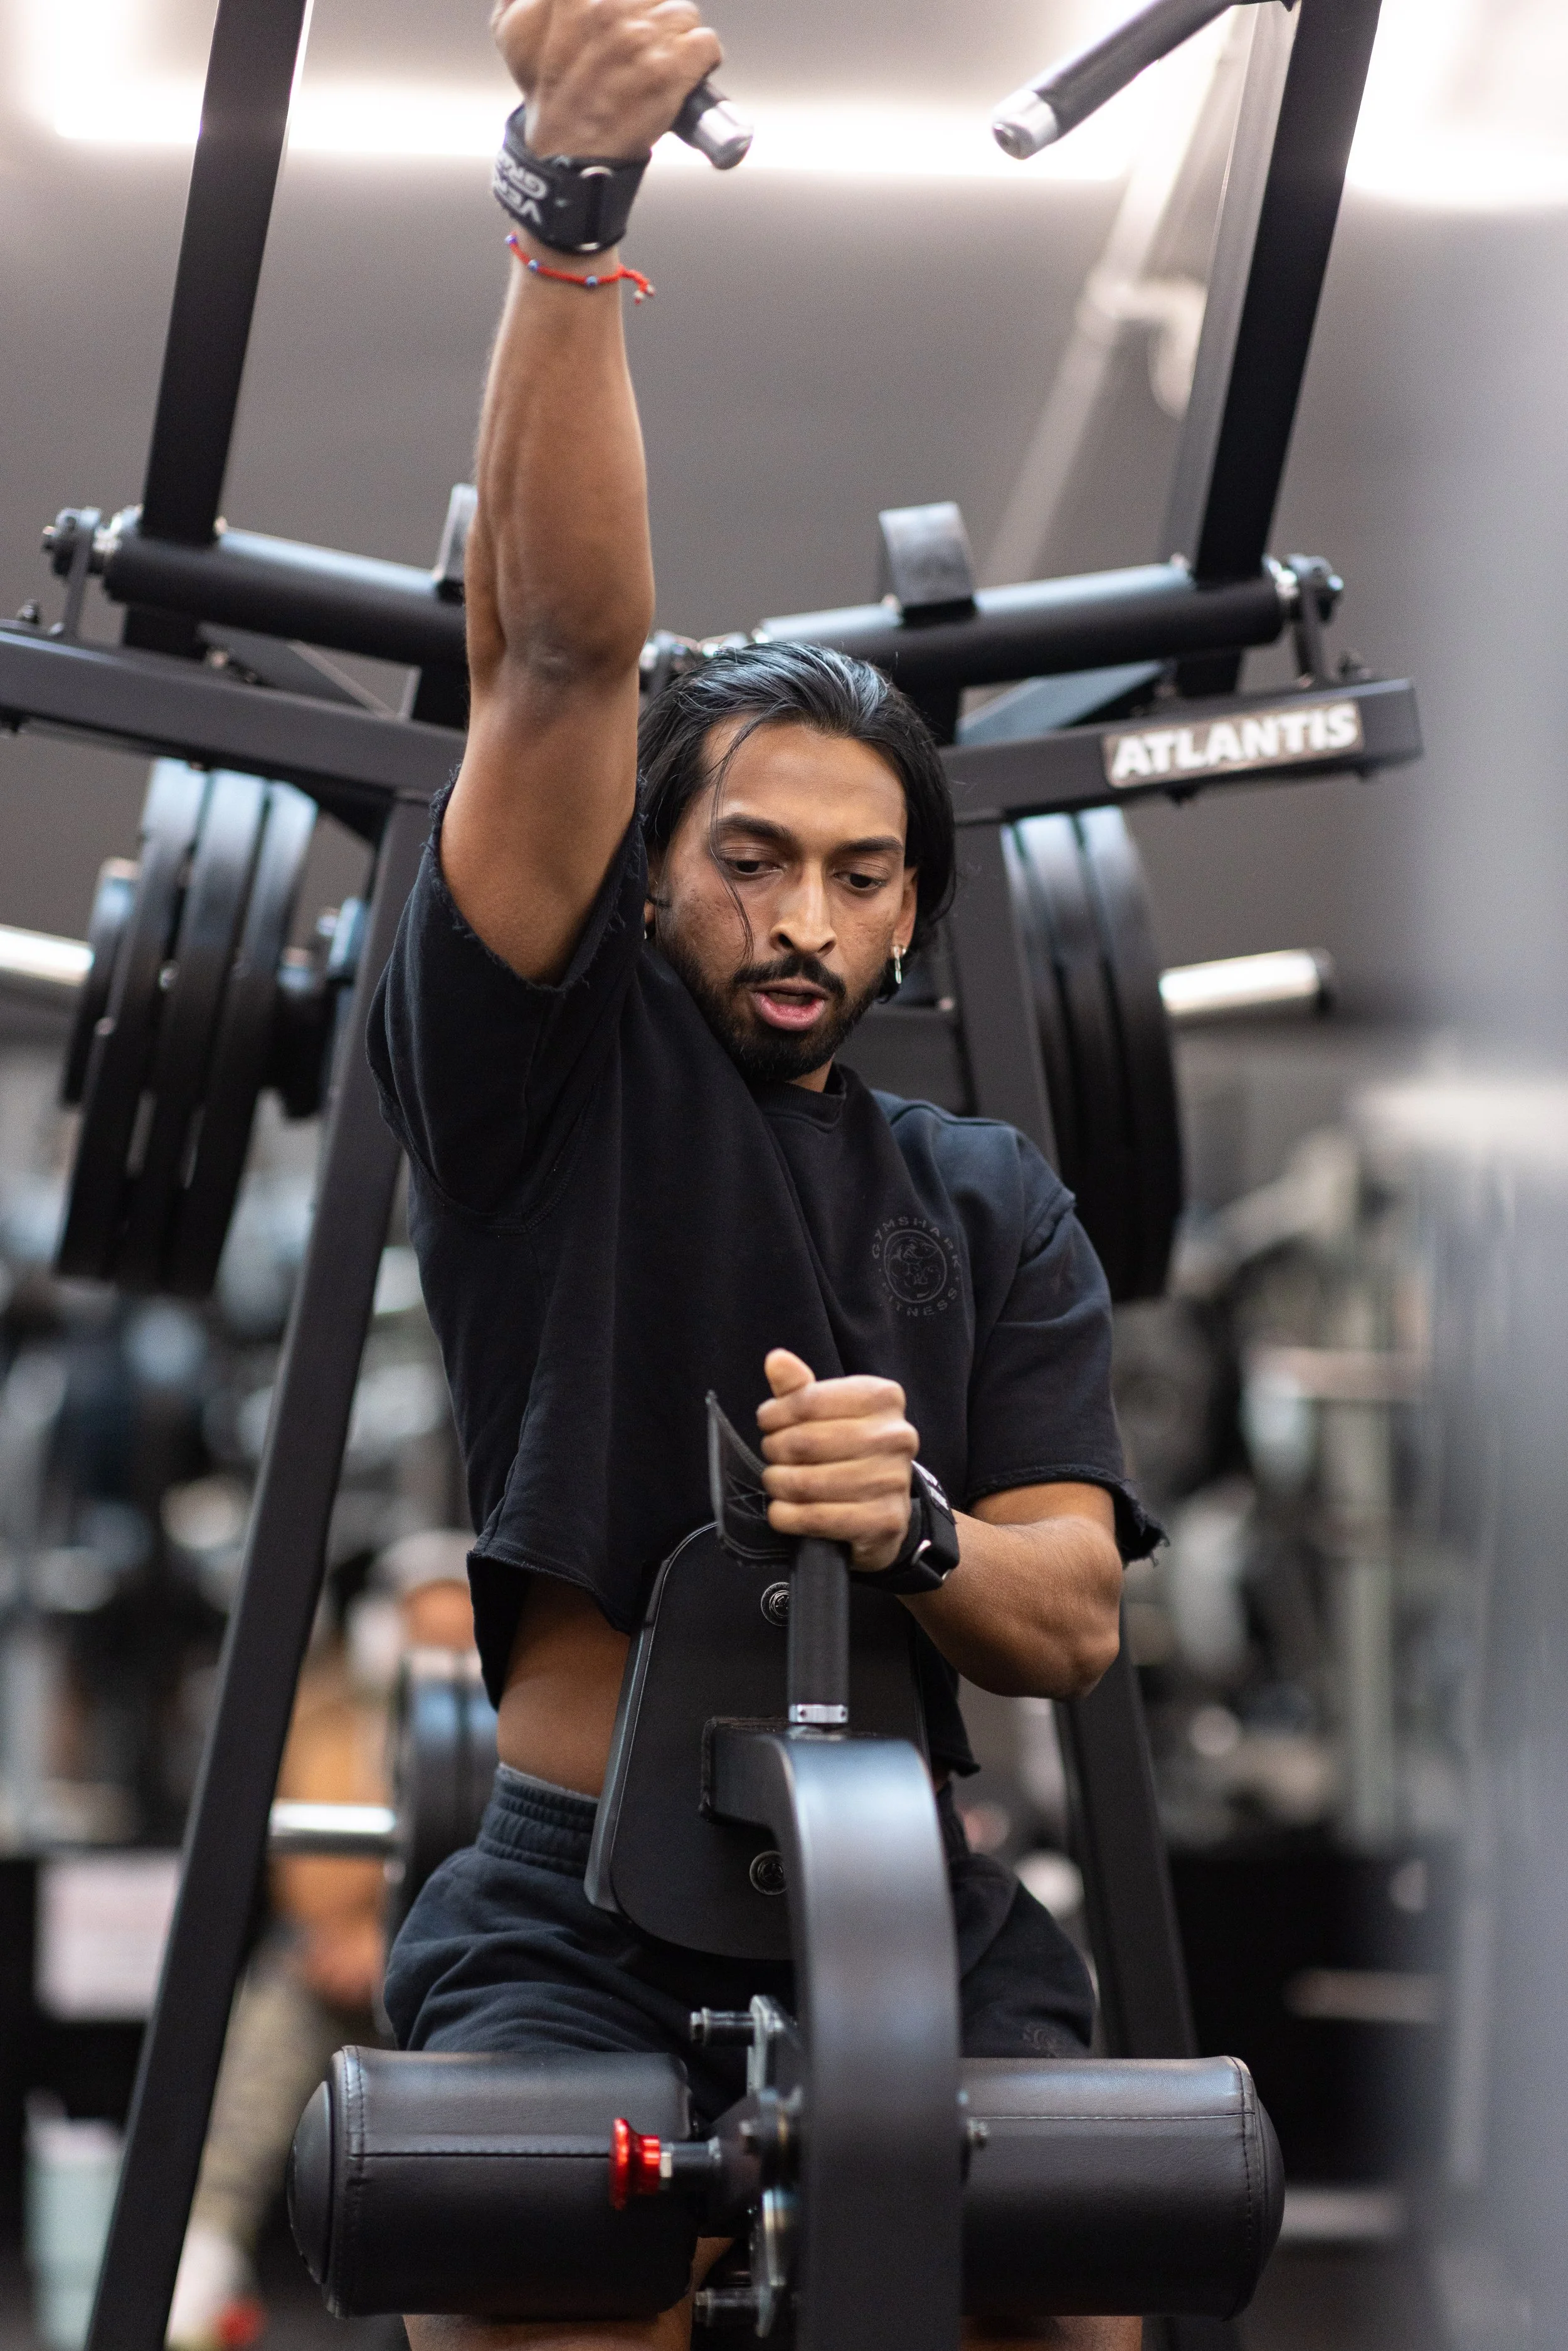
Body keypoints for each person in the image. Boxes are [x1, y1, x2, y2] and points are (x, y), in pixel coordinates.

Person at [368, 3, 1160, 2344]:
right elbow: (561, 652)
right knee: (524, 2266)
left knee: (1086, 2276)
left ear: (915, 908)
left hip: (910, 1881)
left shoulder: (993, 1196)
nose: (804, 913)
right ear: (656, 869)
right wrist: (569, 217)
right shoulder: (551, 1073)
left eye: (858, 871)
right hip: (562, 1905)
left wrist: (909, 1526)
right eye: (748, 855)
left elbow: (1068, 1613)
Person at [167, 1533, 475, 2351]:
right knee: (273, 2009)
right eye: (423, 1640)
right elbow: (309, 1886)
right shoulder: (329, 1717)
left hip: (455, 1974)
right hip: (331, 1973)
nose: (440, 1662)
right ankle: (201, 2258)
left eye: (460, 1643)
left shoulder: (520, 1739)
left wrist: (395, 1942)